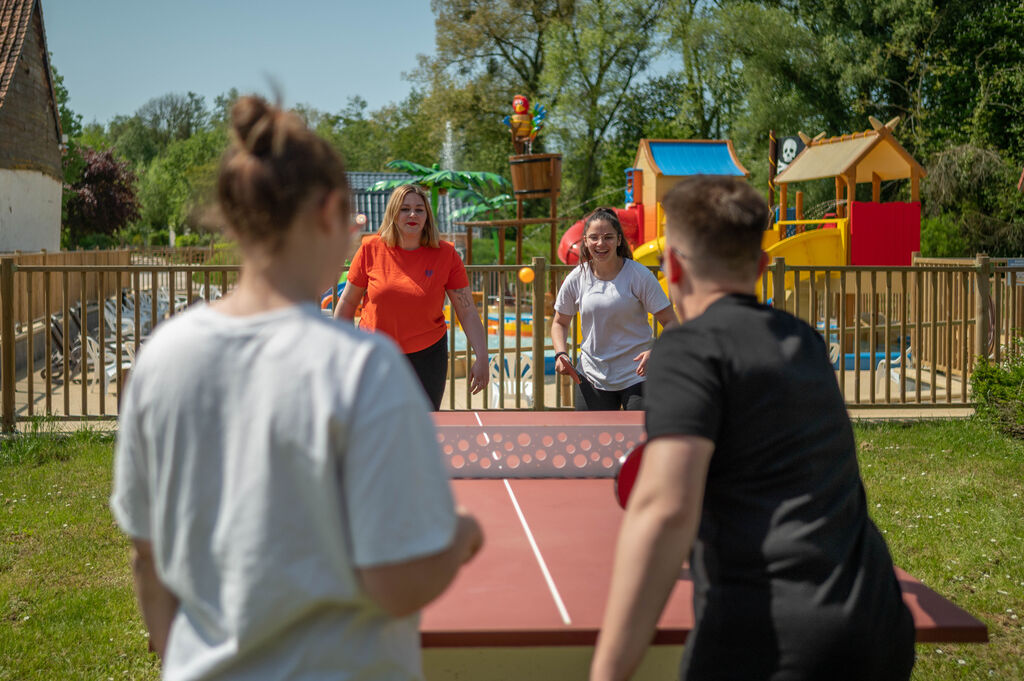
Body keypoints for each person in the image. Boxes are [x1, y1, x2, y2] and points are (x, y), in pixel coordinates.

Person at [110, 96, 483, 681]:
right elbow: (394, 582)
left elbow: (148, 559)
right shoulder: (364, 369)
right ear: (333, 212)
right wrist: (461, 538)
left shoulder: (162, 359)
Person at [591, 176, 915, 681]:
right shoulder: (804, 340)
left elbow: (664, 511)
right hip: (876, 622)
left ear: (672, 266)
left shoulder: (687, 349)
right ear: (762, 266)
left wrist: (607, 673)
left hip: (774, 636)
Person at [334, 184, 488, 410]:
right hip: (374, 353)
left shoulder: (447, 254)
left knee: (420, 430)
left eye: (419, 209)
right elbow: (347, 303)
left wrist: (482, 356)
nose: (413, 214)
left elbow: (466, 310)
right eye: (405, 209)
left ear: (427, 216)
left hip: (427, 357)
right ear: (393, 213)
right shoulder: (370, 248)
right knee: (376, 427)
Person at [551, 207, 676, 410]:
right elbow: (559, 322)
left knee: (640, 439)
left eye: (608, 237)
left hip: (637, 374)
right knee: (589, 441)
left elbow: (671, 321)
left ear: (619, 240)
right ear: (585, 240)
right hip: (592, 374)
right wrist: (560, 353)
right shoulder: (577, 277)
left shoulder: (638, 275)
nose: (600, 243)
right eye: (594, 237)